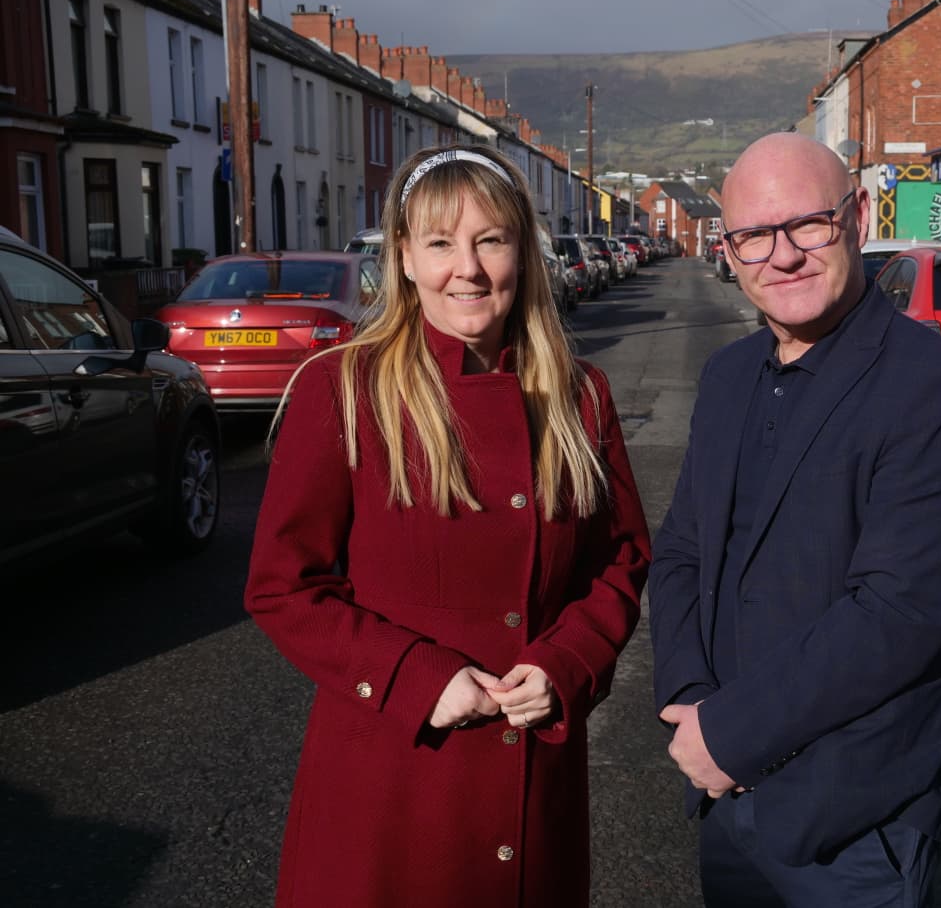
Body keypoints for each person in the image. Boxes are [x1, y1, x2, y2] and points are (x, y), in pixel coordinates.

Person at [246, 145, 651, 907]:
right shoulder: (342, 391)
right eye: (439, 243)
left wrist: (568, 663)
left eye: (490, 240)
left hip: (533, 782)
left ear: (522, 254)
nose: (466, 268)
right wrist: (417, 679)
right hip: (392, 787)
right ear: (403, 257)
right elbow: (283, 588)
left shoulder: (580, 395)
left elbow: (620, 560)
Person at [648, 132, 941, 907]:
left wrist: (731, 732)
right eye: (754, 236)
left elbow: (899, 610)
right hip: (724, 793)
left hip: (854, 815)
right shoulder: (728, 376)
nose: (784, 255)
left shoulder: (937, 386)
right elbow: (681, 553)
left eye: (809, 224)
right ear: (729, 252)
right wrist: (691, 699)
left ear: (859, 216)